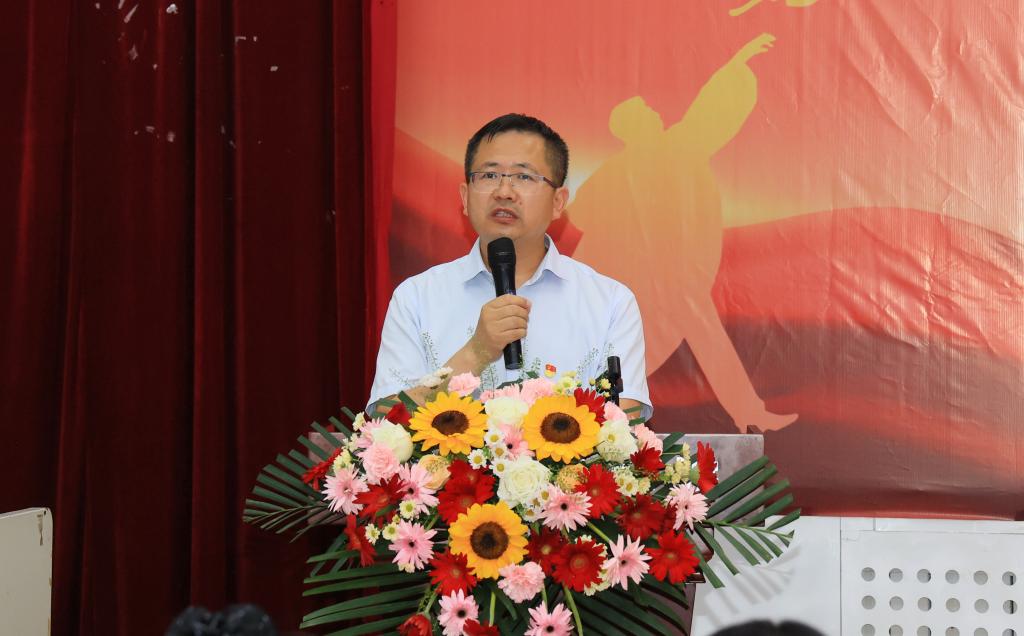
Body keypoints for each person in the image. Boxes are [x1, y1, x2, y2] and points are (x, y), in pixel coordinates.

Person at [368, 113, 651, 419]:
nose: (504, 192)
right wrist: (476, 352)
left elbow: (625, 427)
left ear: (558, 201)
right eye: (489, 175)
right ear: (465, 197)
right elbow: (385, 423)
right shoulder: (416, 298)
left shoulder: (610, 303)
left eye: (524, 177)